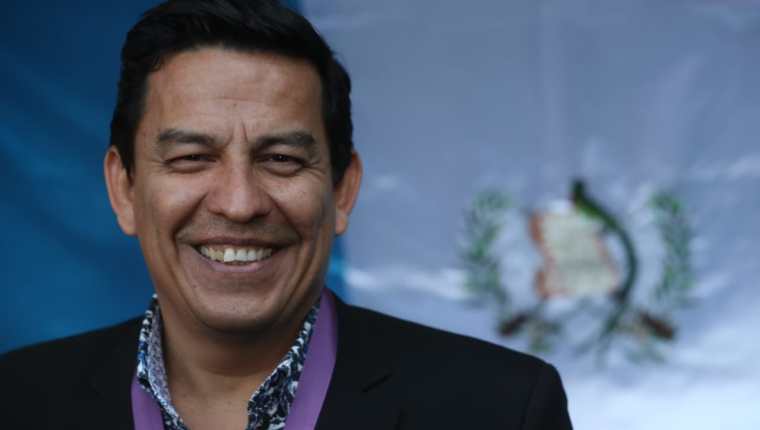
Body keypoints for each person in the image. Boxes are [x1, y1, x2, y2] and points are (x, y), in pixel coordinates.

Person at [0, 1, 572, 428]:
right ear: (124, 188)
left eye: (281, 159)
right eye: (192, 157)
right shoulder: (18, 400)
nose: (239, 202)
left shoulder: (501, 408)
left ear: (342, 189)